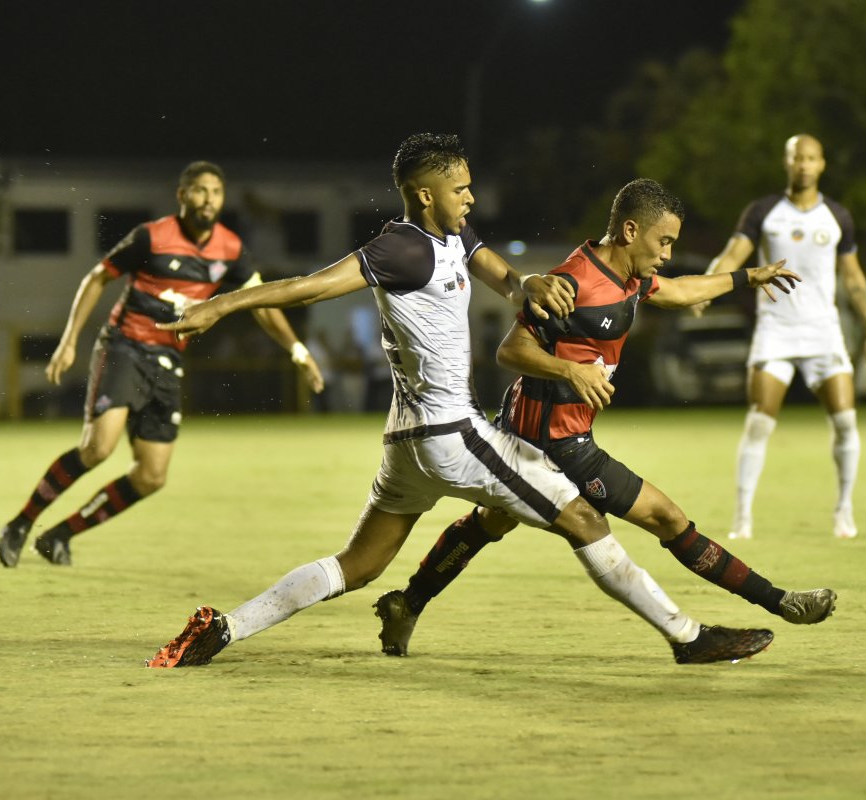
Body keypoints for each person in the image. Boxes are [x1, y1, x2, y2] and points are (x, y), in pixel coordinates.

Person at [146, 134, 776, 668]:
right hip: (450, 433)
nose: (471, 198)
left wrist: (526, 284)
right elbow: (311, 288)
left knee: (358, 565)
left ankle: (224, 628)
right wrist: (221, 305)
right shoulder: (401, 248)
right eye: (460, 189)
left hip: (408, 441)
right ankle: (687, 638)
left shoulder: (453, 234)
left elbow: (491, 266)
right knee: (584, 519)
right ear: (424, 195)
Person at [373, 178, 838, 657]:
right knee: (665, 517)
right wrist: (570, 370)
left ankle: (407, 603)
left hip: (546, 431)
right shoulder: (573, 283)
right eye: (664, 242)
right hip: (553, 443)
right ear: (630, 231)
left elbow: (679, 291)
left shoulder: (629, 278)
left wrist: (748, 277)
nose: (667, 254)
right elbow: (510, 350)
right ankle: (776, 604)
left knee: (491, 522)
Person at [0, 161, 325, 568]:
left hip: (168, 359)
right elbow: (97, 278)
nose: (208, 199)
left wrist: (297, 350)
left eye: (216, 192)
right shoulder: (151, 237)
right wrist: (69, 340)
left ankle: (60, 534)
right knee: (98, 448)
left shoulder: (230, 248)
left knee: (151, 476)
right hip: (125, 346)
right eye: (200, 190)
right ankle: (20, 524)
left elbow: (261, 304)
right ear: (182, 195)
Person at [700, 134, 866, 540]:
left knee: (846, 421)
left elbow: (854, 278)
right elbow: (732, 256)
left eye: (811, 158)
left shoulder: (837, 216)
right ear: (787, 162)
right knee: (759, 423)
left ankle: (844, 510)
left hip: (823, 330)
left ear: (822, 164)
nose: (804, 164)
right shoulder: (763, 211)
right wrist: (704, 289)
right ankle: (743, 518)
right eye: (797, 157)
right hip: (776, 330)